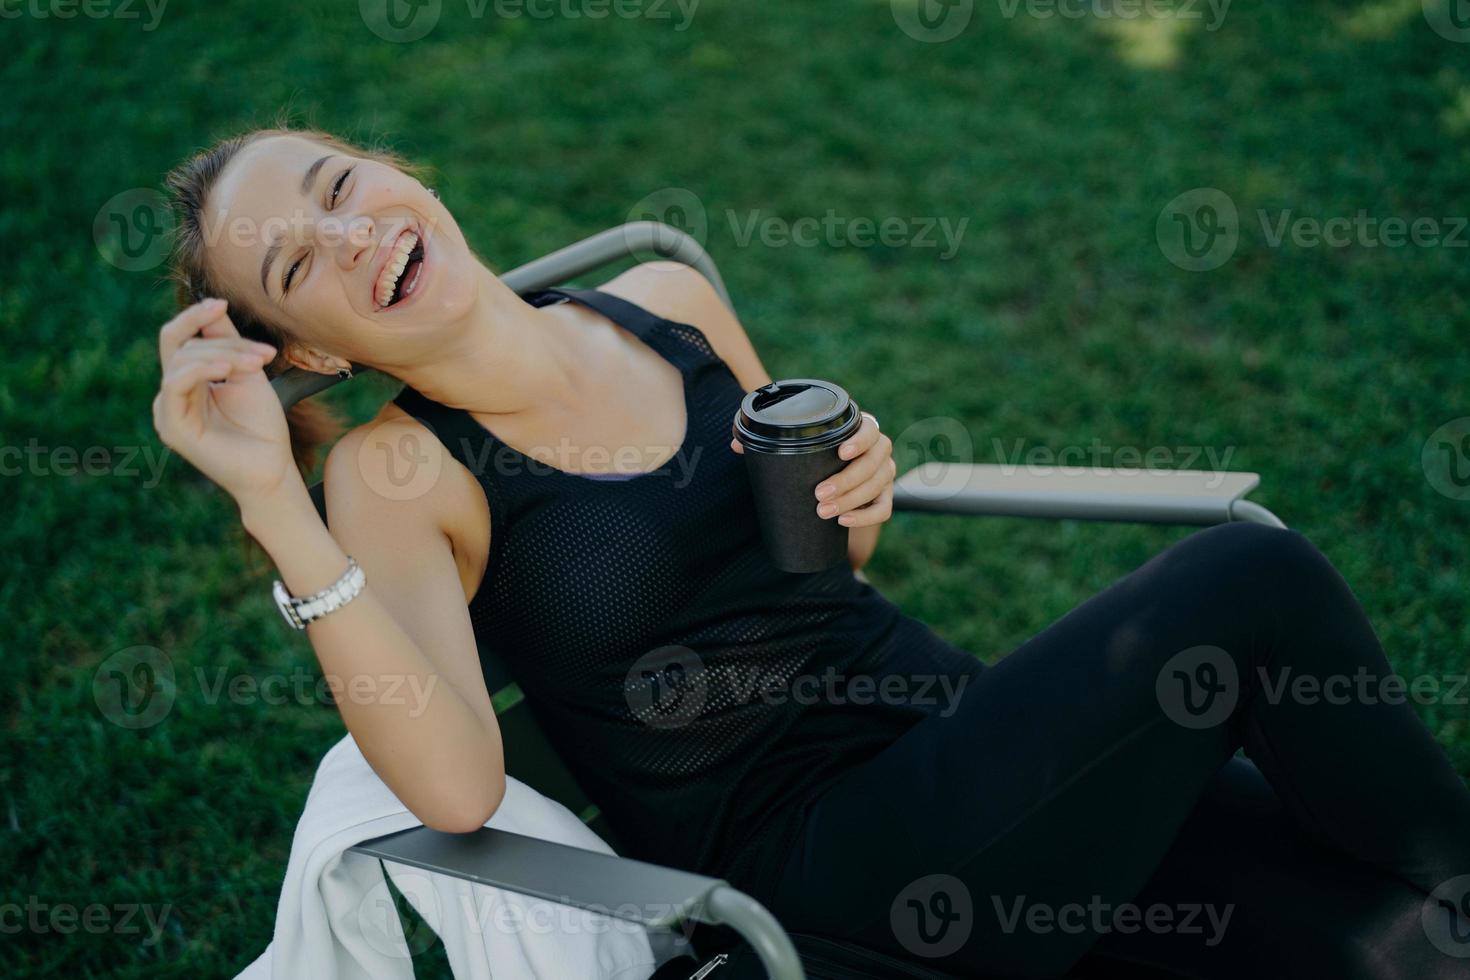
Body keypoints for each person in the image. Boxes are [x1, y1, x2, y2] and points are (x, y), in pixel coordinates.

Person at [152, 126, 1470, 978]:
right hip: (826, 887)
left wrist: (861, 492)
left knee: (1408, 938)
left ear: (398, 173)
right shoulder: (389, 472)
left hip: (959, 750)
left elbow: (825, 575)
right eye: (296, 260)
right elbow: (450, 795)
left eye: (339, 188)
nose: (350, 232)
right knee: (1244, 579)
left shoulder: (663, 303)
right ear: (309, 351)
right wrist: (274, 498)